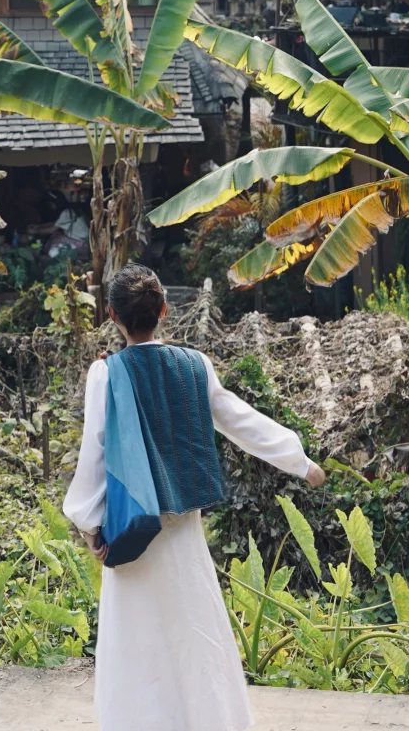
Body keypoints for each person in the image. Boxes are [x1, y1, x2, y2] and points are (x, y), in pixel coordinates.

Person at [63, 265, 325, 731]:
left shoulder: (106, 373)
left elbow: (96, 450)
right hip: (183, 529)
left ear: (112, 315)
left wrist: (88, 525)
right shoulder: (193, 365)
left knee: (135, 644)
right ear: (165, 310)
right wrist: (299, 461)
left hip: (133, 531)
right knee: (195, 634)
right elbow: (238, 419)